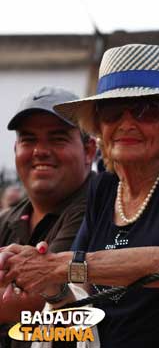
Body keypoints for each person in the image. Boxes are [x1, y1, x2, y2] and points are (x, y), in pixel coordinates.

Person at [0, 44, 159, 348]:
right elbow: (78, 301)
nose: (127, 123)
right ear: (98, 125)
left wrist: (58, 266)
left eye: (146, 109)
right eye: (113, 111)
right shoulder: (103, 188)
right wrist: (46, 280)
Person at [0, 86, 96, 347]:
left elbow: (43, 299)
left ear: (89, 151)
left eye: (57, 139)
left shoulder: (98, 206)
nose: (40, 151)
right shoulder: (10, 218)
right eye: (28, 139)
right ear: (16, 149)